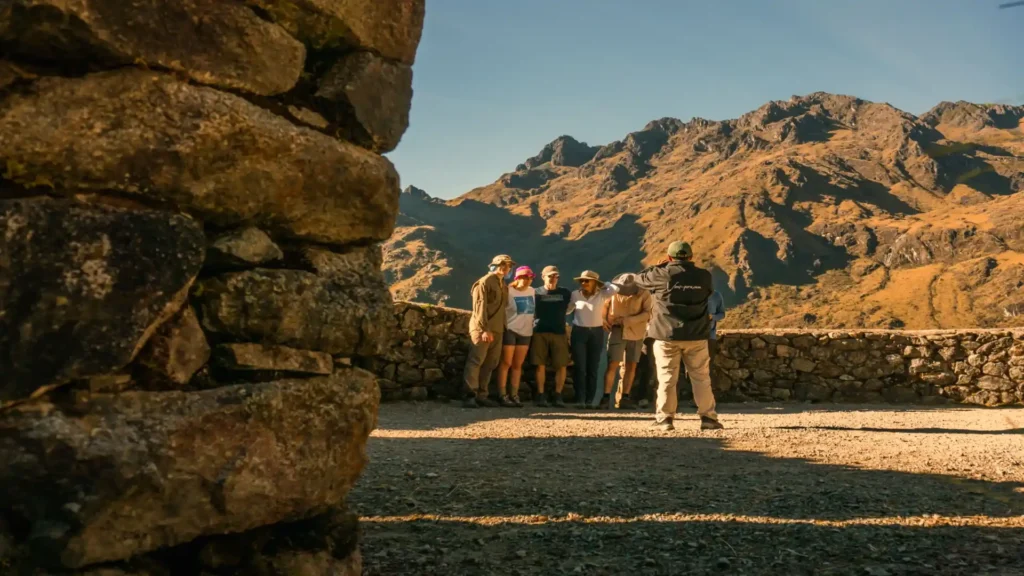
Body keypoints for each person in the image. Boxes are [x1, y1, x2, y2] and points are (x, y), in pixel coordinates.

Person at [632, 242, 724, 431]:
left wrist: (657, 266)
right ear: (690, 256)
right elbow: (708, 293)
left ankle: (665, 419)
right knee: (701, 378)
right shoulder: (704, 276)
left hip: (666, 335)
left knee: (667, 377)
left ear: (669, 257)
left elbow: (639, 279)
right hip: (697, 335)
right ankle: (708, 418)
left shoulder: (661, 273)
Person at [463, 254, 515, 408]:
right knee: (476, 361)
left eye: (508, 265)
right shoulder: (485, 282)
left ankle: (482, 395)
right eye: (502, 264)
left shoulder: (503, 284)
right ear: (495, 265)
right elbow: (480, 307)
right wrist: (484, 329)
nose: (505, 268)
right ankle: (469, 395)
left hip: (498, 329)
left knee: (490, 363)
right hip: (483, 329)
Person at [600, 274, 652, 409]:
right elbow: (603, 305)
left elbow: (648, 313)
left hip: (636, 332)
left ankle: (625, 397)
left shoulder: (644, 293)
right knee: (612, 364)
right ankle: (606, 398)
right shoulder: (613, 293)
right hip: (617, 330)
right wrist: (603, 320)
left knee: (631, 365)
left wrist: (627, 320)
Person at [569, 270, 619, 409]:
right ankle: (580, 399)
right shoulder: (575, 294)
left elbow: (616, 289)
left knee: (592, 367)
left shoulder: (602, 294)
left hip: (596, 333)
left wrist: (604, 285)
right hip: (579, 331)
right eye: (582, 281)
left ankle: (589, 400)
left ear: (595, 283)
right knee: (580, 367)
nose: (583, 283)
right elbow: (569, 309)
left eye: (587, 281)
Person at [530, 265, 573, 407]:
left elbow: (571, 307)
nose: (553, 278)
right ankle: (541, 395)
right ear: (543, 277)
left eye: (556, 276)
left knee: (561, 364)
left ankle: (558, 395)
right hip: (540, 331)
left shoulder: (565, 293)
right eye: (550, 276)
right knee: (540, 364)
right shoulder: (535, 293)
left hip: (559, 332)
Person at [496, 266, 536, 407]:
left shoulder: (532, 291)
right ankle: (502, 394)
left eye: (530, 277)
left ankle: (514, 394)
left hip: (526, 332)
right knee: (506, 362)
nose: (528, 280)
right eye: (525, 277)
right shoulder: (508, 291)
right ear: (517, 278)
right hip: (510, 330)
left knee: (517, 365)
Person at [708, 290, 726, 358]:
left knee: (710, 361)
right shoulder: (692, 293)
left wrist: (712, 317)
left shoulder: (716, 295)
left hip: (710, 336)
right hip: (694, 337)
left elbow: (722, 314)